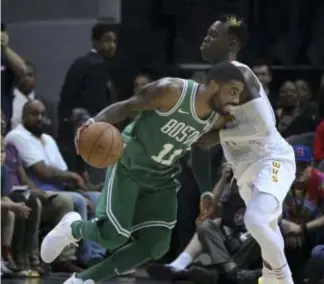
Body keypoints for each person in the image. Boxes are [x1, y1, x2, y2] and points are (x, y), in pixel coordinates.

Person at [41, 62, 245, 284]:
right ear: (214, 85)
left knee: (156, 244)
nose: (235, 100)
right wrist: (93, 123)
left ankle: (83, 280)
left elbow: (200, 146)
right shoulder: (172, 91)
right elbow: (126, 106)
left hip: (163, 177)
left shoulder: (218, 116)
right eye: (232, 91)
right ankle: (73, 227)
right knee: (112, 236)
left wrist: (206, 189)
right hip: (130, 166)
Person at [197, 18, 296, 284]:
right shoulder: (214, 80)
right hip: (244, 170)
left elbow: (265, 127)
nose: (205, 38)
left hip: (271, 158)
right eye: (206, 33)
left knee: (256, 220)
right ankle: (273, 277)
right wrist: (209, 191)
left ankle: (282, 278)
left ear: (231, 43)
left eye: (213, 34)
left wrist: (218, 135)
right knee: (266, 229)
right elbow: (202, 141)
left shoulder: (236, 72)